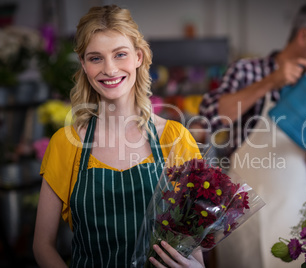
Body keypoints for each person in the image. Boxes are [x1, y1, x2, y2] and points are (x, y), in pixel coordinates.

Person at [33, 5, 204, 268]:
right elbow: (42, 245)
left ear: (138, 56)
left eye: (120, 54)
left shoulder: (175, 138)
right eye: (95, 58)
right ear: (83, 64)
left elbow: (193, 249)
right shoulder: (65, 143)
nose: (110, 70)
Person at [199, 1, 306, 267]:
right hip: (242, 210)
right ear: (304, 35)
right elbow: (212, 117)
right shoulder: (246, 70)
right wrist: (272, 82)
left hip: (294, 209)